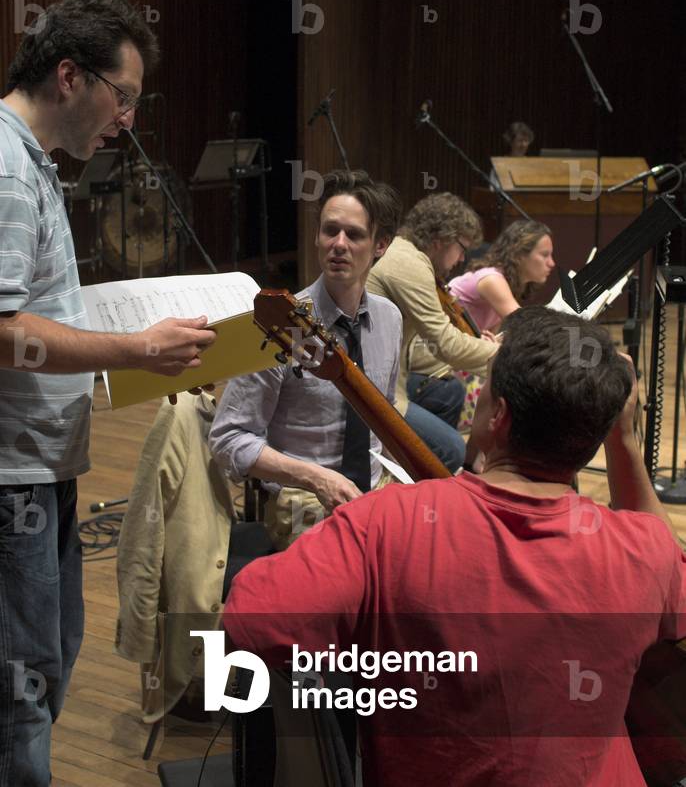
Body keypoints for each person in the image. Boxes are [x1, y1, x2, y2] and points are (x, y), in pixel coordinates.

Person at [224, 307, 685, 787]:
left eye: (483, 388)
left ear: (498, 416)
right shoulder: (645, 549)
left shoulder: (385, 524)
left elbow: (250, 622)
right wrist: (624, 439)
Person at [0, 0, 217, 787]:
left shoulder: (29, 164)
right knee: (21, 692)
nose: (126, 120)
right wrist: (131, 346)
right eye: (122, 97)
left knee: (45, 667)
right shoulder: (6, 170)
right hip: (9, 480)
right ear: (68, 76)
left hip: (38, 469)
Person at [209, 169, 403, 550]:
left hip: (374, 492)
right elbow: (228, 438)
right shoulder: (279, 324)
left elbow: (385, 413)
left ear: (380, 245)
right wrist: (316, 478)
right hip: (304, 501)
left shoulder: (389, 318)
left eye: (355, 235)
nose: (339, 244)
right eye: (330, 230)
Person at [366, 192, 496, 472]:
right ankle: (422, 488)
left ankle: (420, 469)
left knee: (448, 392)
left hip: (391, 375)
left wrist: (471, 348)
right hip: (374, 389)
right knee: (451, 448)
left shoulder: (407, 254)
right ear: (442, 239)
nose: (462, 258)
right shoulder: (407, 264)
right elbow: (446, 345)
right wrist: (503, 354)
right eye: (462, 248)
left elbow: (420, 347)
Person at [449, 219, 555, 334]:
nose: (552, 263)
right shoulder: (492, 279)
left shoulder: (509, 283)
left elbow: (493, 335)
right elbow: (525, 326)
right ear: (519, 254)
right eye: (545, 255)